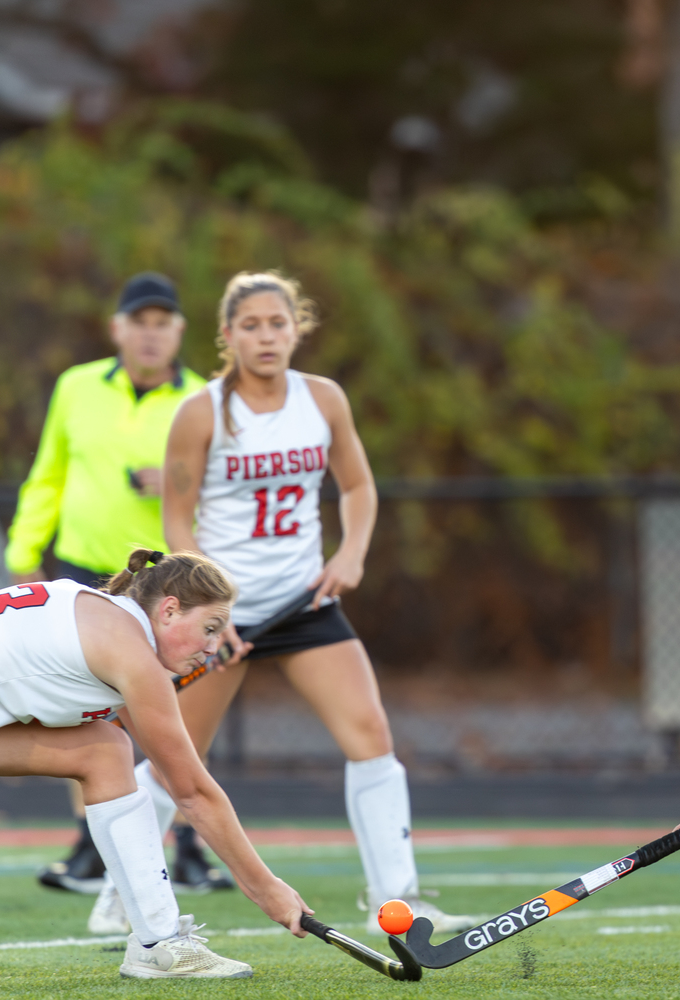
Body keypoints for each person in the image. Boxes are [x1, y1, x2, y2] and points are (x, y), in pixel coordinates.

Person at [87, 271, 472, 936]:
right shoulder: (201, 411)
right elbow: (176, 518)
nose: (266, 337)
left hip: (305, 603)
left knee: (372, 736)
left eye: (278, 323)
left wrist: (351, 552)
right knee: (180, 756)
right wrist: (211, 607)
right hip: (224, 614)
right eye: (251, 325)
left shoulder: (322, 399)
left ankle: (399, 899)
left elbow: (357, 485)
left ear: (297, 329)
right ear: (228, 335)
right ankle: (122, 893)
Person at [0, 549, 310, 978]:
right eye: (209, 628)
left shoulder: (115, 624)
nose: (212, 646)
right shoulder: (132, 655)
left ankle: (158, 945)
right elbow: (192, 792)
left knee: (105, 750)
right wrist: (264, 887)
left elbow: (168, 769)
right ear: (169, 610)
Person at [5, 272, 228, 895]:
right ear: (118, 328)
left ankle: (184, 846)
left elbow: (230, 491)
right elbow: (47, 475)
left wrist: (181, 483)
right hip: (86, 577)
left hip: (170, 583)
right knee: (86, 715)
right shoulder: (77, 387)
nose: (150, 334)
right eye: (140, 321)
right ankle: (92, 849)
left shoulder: (203, 398)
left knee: (176, 717)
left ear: (180, 331)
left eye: (163, 323)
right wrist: (25, 555)